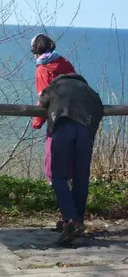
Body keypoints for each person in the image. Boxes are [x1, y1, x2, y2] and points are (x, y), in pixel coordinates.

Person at [38, 73, 103, 244]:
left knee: (58, 176)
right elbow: (99, 108)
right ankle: (77, 220)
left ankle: (71, 219)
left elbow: (43, 100)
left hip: (63, 128)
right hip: (86, 131)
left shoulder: (57, 86)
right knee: (81, 177)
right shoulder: (89, 91)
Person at [31, 34, 76, 183]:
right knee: (70, 151)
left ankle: (54, 186)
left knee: (53, 151)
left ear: (36, 51)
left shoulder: (42, 69)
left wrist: (37, 122)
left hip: (56, 117)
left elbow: (45, 99)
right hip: (76, 113)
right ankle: (69, 182)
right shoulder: (65, 63)